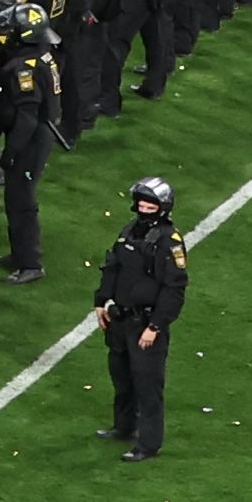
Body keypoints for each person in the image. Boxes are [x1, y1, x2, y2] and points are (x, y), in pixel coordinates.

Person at [93, 175, 184, 455]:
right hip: (119, 320)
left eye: (150, 206)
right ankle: (123, 426)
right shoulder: (130, 230)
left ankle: (148, 444)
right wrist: (101, 301)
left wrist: (155, 326)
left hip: (145, 324)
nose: (144, 210)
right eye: (141, 205)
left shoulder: (169, 242)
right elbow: (113, 267)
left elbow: (174, 289)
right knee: (121, 378)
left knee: (147, 387)